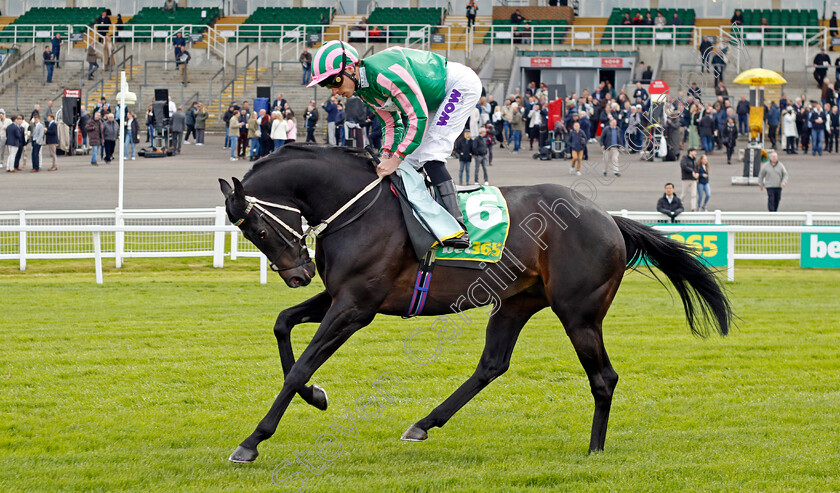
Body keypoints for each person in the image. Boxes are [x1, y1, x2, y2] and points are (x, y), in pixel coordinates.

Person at [307, 41, 483, 247]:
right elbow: (391, 123)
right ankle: (425, 217)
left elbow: (417, 117)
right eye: (326, 85)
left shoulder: (385, 75)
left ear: (349, 68)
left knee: (430, 154)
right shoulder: (363, 90)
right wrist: (386, 155)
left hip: (458, 85)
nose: (334, 90)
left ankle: (457, 228)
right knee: (412, 162)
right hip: (434, 99)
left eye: (334, 81)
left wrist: (395, 158)